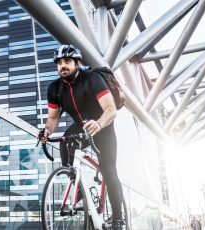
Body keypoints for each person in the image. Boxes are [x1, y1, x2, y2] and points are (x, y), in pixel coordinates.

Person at [39, 44, 124, 229]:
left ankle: (118, 219)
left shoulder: (93, 78)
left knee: (109, 170)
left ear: (77, 63)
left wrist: (99, 123)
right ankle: (77, 192)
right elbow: (53, 118)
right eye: (59, 62)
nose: (63, 65)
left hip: (103, 126)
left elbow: (111, 110)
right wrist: (46, 132)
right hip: (79, 126)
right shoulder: (54, 88)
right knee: (64, 142)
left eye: (68, 61)